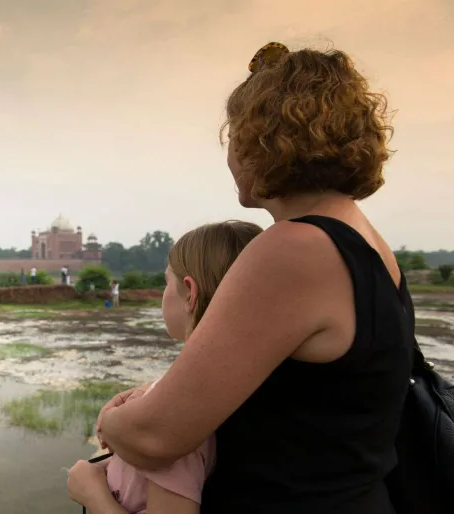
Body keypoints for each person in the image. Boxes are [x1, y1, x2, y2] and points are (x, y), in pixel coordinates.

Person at [96, 43, 413, 514]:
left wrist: (111, 420)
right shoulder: (365, 243)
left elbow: (154, 438)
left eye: (235, 137)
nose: (230, 158)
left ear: (262, 141)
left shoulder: (295, 248)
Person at [67, 221, 262, 514]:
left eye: (165, 282)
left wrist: (92, 492)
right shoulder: (253, 382)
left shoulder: (179, 413)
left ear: (189, 292)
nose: (163, 293)